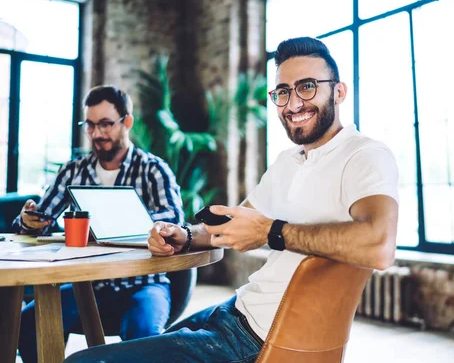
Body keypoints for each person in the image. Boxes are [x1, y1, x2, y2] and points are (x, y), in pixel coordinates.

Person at [65, 37, 399, 363]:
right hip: (235, 310)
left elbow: (379, 246)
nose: (293, 104)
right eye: (283, 92)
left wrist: (272, 232)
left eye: (307, 86)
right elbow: (236, 225)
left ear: (339, 91)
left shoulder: (364, 155)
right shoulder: (289, 160)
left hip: (260, 340)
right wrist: (184, 234)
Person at [14, 85, 185, 363]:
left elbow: (175, 222)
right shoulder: (74, 170)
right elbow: (41, 219)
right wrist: (29, 221)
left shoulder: (154, 169)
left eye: (105, 124)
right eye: (90, 125)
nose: (97, 134)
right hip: (88, 284)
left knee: (145, 340)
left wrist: (128, 222)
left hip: (143, 282)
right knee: (28, 322)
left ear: (126, 122)